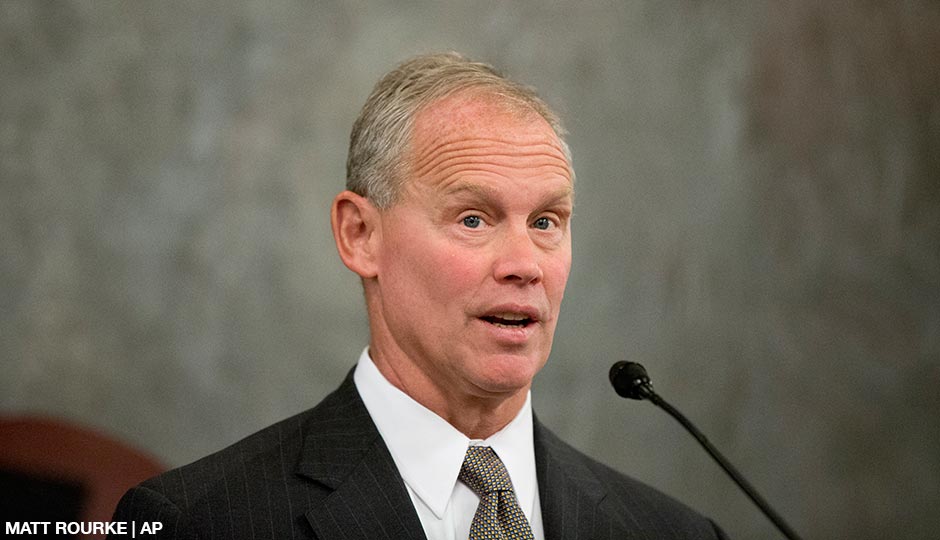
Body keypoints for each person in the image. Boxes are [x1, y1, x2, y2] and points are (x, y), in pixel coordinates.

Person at [110, 52, 727, 540]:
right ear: (361, 235)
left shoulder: (674, 531)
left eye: (546, 222)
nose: (524, 266)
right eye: (473, 219)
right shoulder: (196, 524)